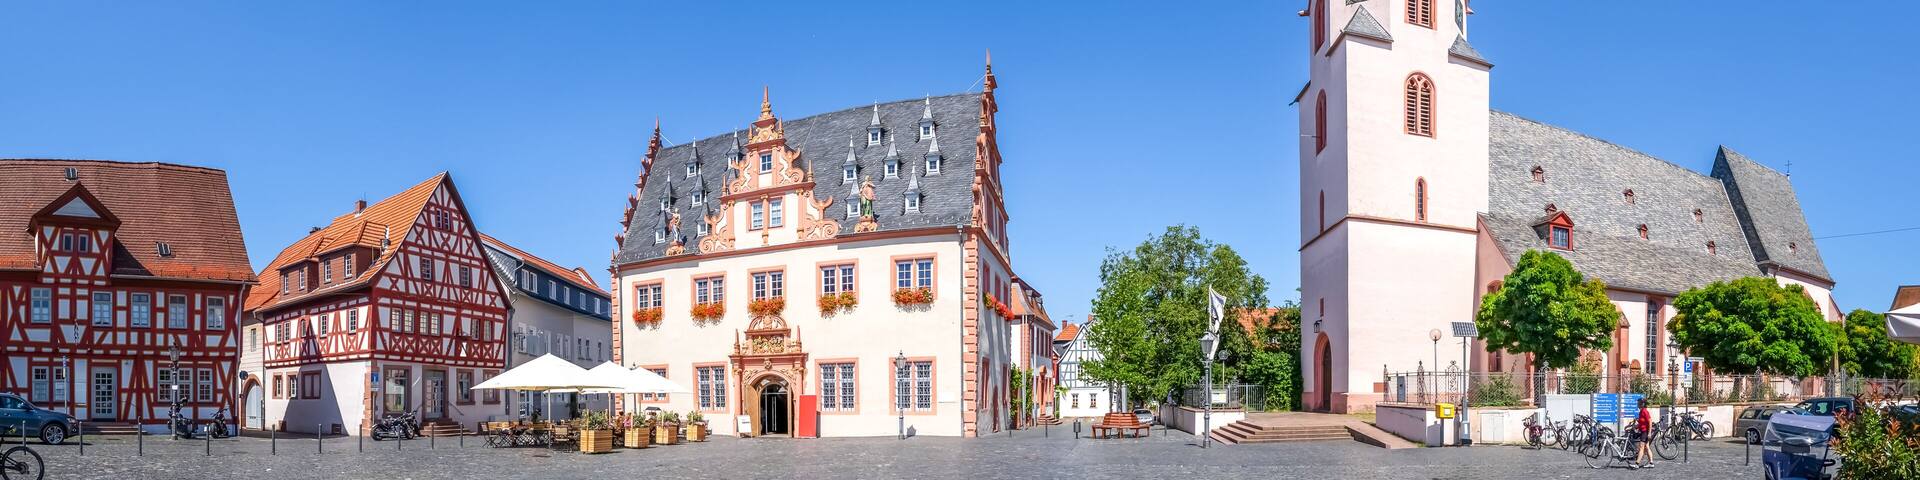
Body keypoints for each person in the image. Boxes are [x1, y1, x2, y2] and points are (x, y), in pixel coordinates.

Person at [1633, 398, 1655, 469]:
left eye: (1639, 403)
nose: (1637, 404)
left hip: (1645, 432)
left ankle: (1637, 464)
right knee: (1647, 447)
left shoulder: (1644, 411)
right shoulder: (1641, 411)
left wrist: (1649, 433)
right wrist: (1635, 427)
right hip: (1643, 431)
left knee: (1641, 447)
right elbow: (1642, 422)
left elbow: (1650, 421)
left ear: (1642, 404)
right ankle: (1651, 463)